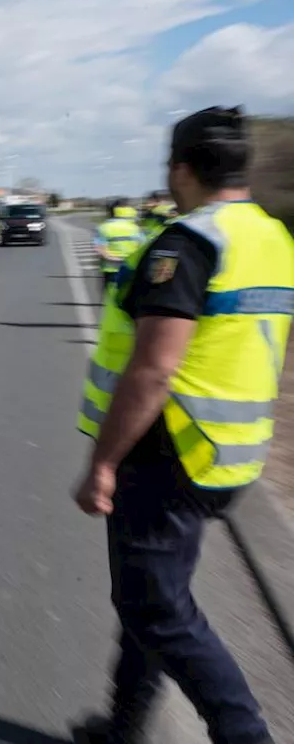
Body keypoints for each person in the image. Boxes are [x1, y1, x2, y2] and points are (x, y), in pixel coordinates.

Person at [71, 106, 292, 744]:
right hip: (233, 452)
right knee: (153, 596)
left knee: (156, 607)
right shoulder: (273, 238)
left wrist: (104, 464)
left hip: (170, 453)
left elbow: (152, 370)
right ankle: (123, 725)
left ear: (181, 169)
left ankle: (243, 733)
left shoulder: (187, 244)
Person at [94, 200, 145, 290]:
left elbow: (100, 250)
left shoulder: (103, 228)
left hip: (111, 269)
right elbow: (143, 247)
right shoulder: (135, 228)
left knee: (111, 298)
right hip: (131, 268)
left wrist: (115, 259)